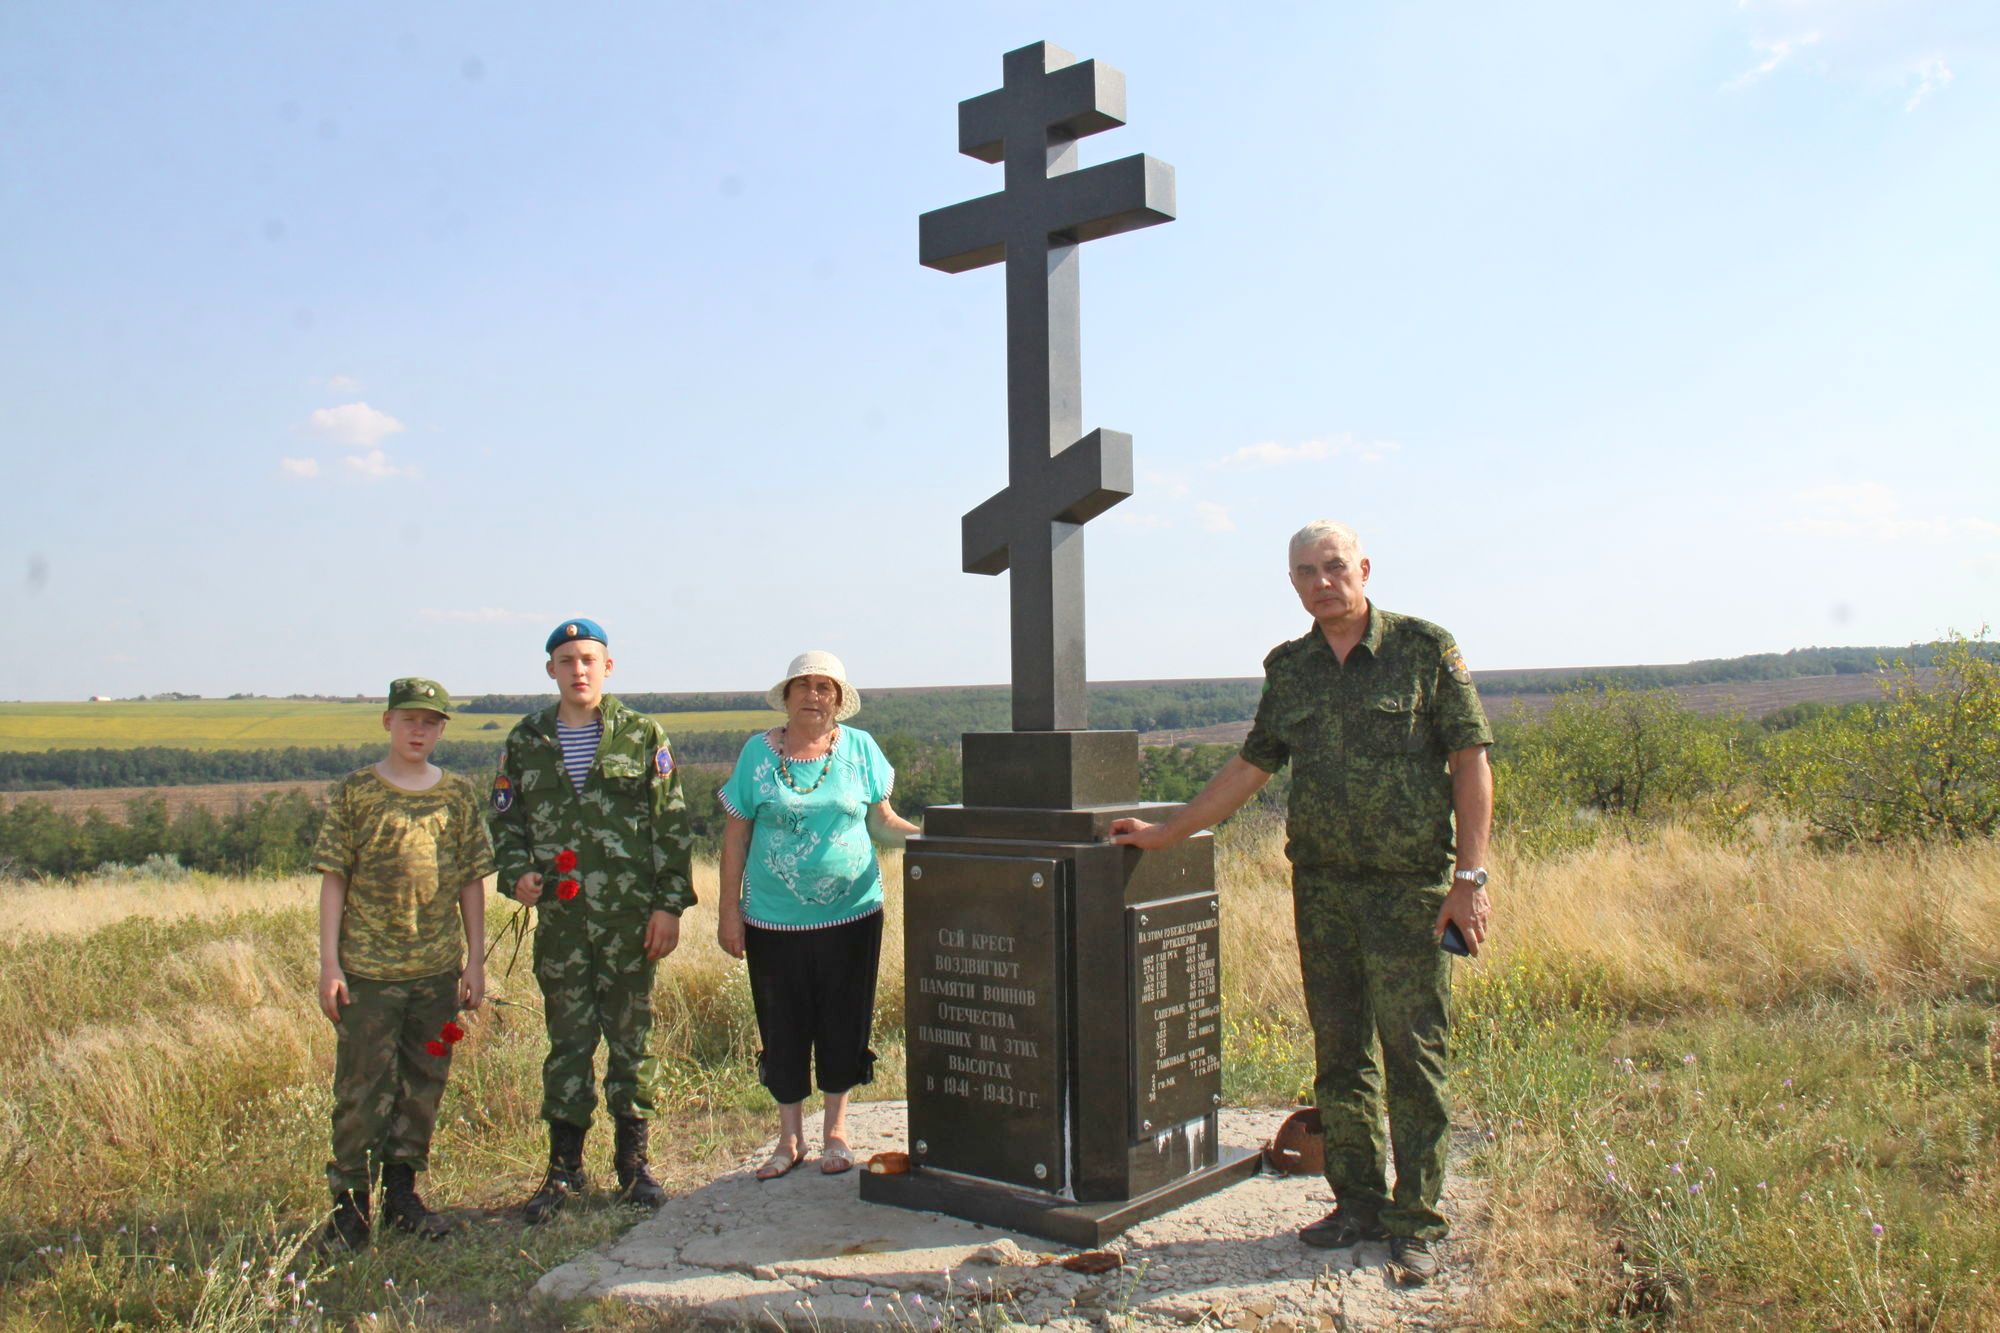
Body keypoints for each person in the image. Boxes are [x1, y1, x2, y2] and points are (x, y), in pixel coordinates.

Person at [1111, 520, 1493, 1284]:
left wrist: (1469, 880)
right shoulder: (1291, 669)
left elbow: (1470, 761)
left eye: (1334, 566)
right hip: (1322, 890)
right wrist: (1170, 831)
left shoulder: (1425, 650)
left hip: (1409, 890)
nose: (1323, 581)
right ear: (1293, 583)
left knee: (1414, 1056)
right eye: (1306, 572)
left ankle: (1417, 1218)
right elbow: (1251, 765)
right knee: (1340, 1054)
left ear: (1364, 568)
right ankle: (1358, 1203)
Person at [488, 618, 698, 1221]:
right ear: (550, 670)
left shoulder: (641, 735)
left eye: (588, 659)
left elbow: (670, 824)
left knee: (632, 1041)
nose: (578, 670)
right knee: (568, 1044)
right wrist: (518, 873)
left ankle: (633, 1167)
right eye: (567, 660)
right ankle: (564, 1170)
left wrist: (668, 906)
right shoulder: (526, 740)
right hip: (562, 922)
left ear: (608, 667)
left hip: (630, 921)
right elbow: (505, 819)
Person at [716, 651, 921, 1179]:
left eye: (825, 687)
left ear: (839, 699)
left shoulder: (861, 748)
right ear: (786, 697)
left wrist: (933, 838)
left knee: (843, 1020)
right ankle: (789, 1139)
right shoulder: (757, 755)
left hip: (853, 916)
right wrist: (728, 911)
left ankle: (836, 1132)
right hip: (772, 920)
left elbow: (882, 823)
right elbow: (736, 835)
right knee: (782, 1024)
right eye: (803, 685)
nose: (813, 695)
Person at [312, 676, 495, 1250]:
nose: (420, 730)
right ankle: (350, 1209)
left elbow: (471, 881)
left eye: (431, 722)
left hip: (436, 973)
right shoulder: (357, 791)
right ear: (388, 722)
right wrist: (329, 964)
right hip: (368, 973)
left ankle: (402, 1197)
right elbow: (334, 879)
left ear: (442, 730)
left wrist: (474, 962)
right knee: (360, 1091)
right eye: (410, 719)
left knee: (423, 1085)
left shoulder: (457, 794)